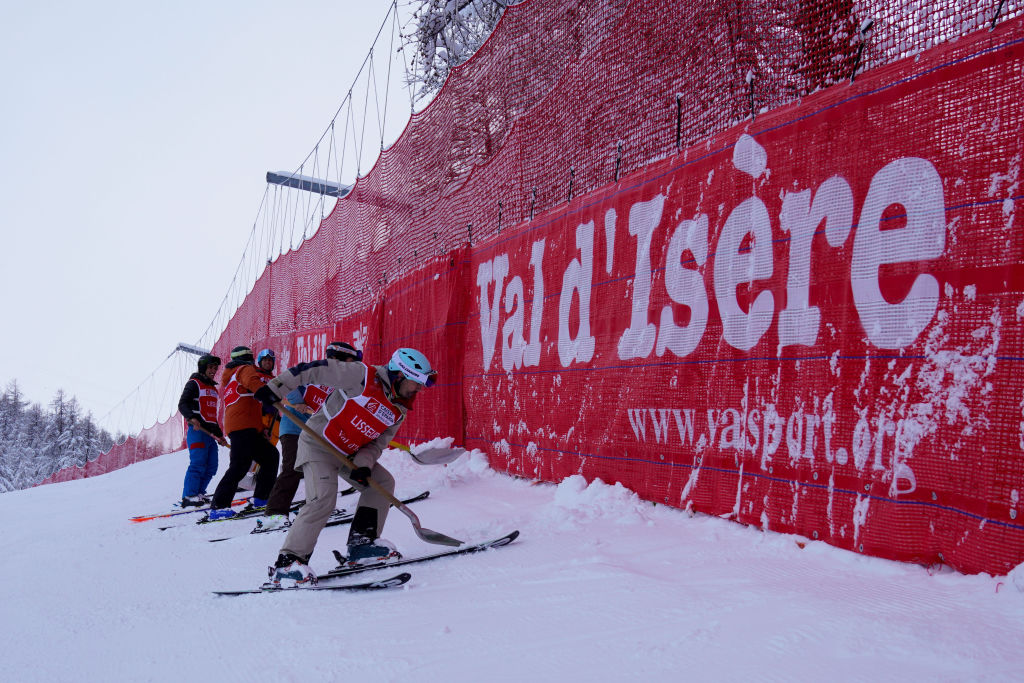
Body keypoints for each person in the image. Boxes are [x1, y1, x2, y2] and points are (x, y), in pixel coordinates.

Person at [254, 347, 437, 586]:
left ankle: (362, 544)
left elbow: (376, 444)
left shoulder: (399, 409)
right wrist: (277, 387)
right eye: (417, 383)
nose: (419, 390)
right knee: (323, 499)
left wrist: (363, 464)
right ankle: (288, 563)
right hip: (319, 445)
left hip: (347, 454)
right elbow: (313, 371)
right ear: (399, 375)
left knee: (382, 483)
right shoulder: (361, 376)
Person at [260, 341, 363, 531]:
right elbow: (290, 385)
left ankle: (316, 507)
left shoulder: (341, 384)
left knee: (320, 468)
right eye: (349, 362)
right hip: (294, 427)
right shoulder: (316, 372)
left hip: (317, 430)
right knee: (292, 468)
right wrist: (298, 402)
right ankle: (274, 513)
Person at [207, 346, 281, 520]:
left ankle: (261, 498)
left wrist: (261, 428)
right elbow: (253, 382)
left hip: (247, 427)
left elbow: (247, 403)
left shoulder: (232, 375)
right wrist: (266, 393)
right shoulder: (244, 369)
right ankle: (219, 506)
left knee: (270, 456)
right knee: (240, 465)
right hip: (242, 427)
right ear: (249, 358)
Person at [176, 354, 228, 507]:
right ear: (203, 367)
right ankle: (189, 495)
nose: (213, 370)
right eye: (210, 367)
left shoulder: (213, 388)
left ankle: (199, 492)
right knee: (198, 463)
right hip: (198, 431)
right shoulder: (194, 383)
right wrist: (192, 417)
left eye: (215, 368)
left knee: (212, 465)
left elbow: (211, 416)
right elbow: (183, 404)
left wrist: (220, 435)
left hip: (210, 434)